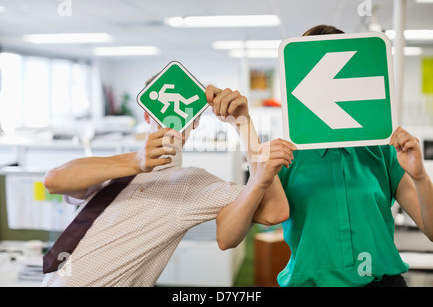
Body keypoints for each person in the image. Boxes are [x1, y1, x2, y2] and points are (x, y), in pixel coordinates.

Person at [216, 25, 433, 287]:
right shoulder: (283, 157)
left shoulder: (382, 150)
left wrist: (420, 176)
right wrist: (245, 130)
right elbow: (227, 238)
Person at [41, 80, 293, 286]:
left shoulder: (191, 183)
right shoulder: (114, 167)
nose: (172, 121)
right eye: (161, 110)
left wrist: (243, 123)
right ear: (146, 115)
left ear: (194, 123)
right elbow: (54, 180)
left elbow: (274, 212)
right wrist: (136, 162)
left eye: (184, 114)